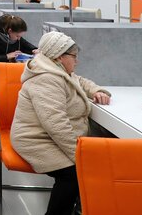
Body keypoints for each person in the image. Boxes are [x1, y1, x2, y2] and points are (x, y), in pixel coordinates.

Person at [11, 31, 111, 215]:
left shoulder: (58, 70)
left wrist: (97, 91)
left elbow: (79, 81)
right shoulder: (46, 79)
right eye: (74, 57)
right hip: (36, 139)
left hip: (52, 137)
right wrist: (79, 156)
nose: (77, 61)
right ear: (59, 57)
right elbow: (56, 125)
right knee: (72, 174)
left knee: (86, 167)